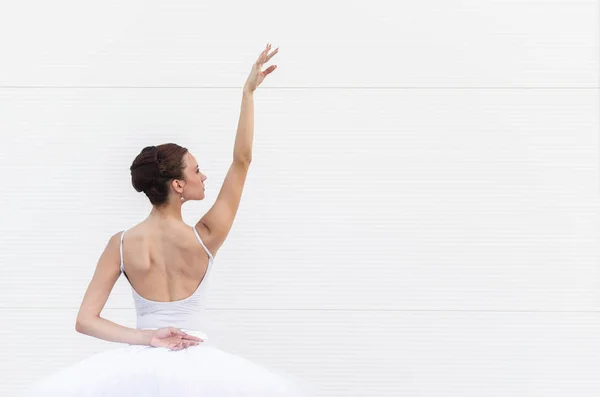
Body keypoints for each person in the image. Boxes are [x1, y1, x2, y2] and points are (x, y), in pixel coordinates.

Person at [22, 43, 313, 396]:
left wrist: (147, 338)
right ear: (178, 185)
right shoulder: (207, 236)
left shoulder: (123, 244)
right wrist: (247, 93)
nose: (203, 177)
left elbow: (86, 321)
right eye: (197, 170)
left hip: (135, 370)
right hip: (204, 373)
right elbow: (243, 160)